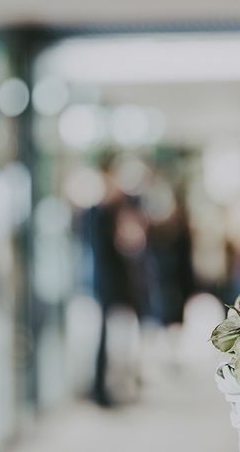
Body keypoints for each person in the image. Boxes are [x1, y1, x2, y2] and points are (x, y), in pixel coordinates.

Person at [85, 150, 146, 407]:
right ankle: (101, 387)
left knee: (118, 334)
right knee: (106, 337)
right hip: (108, 283)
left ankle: (113, 383)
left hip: (117, 281)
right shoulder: (100, 214)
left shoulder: (114, 210)